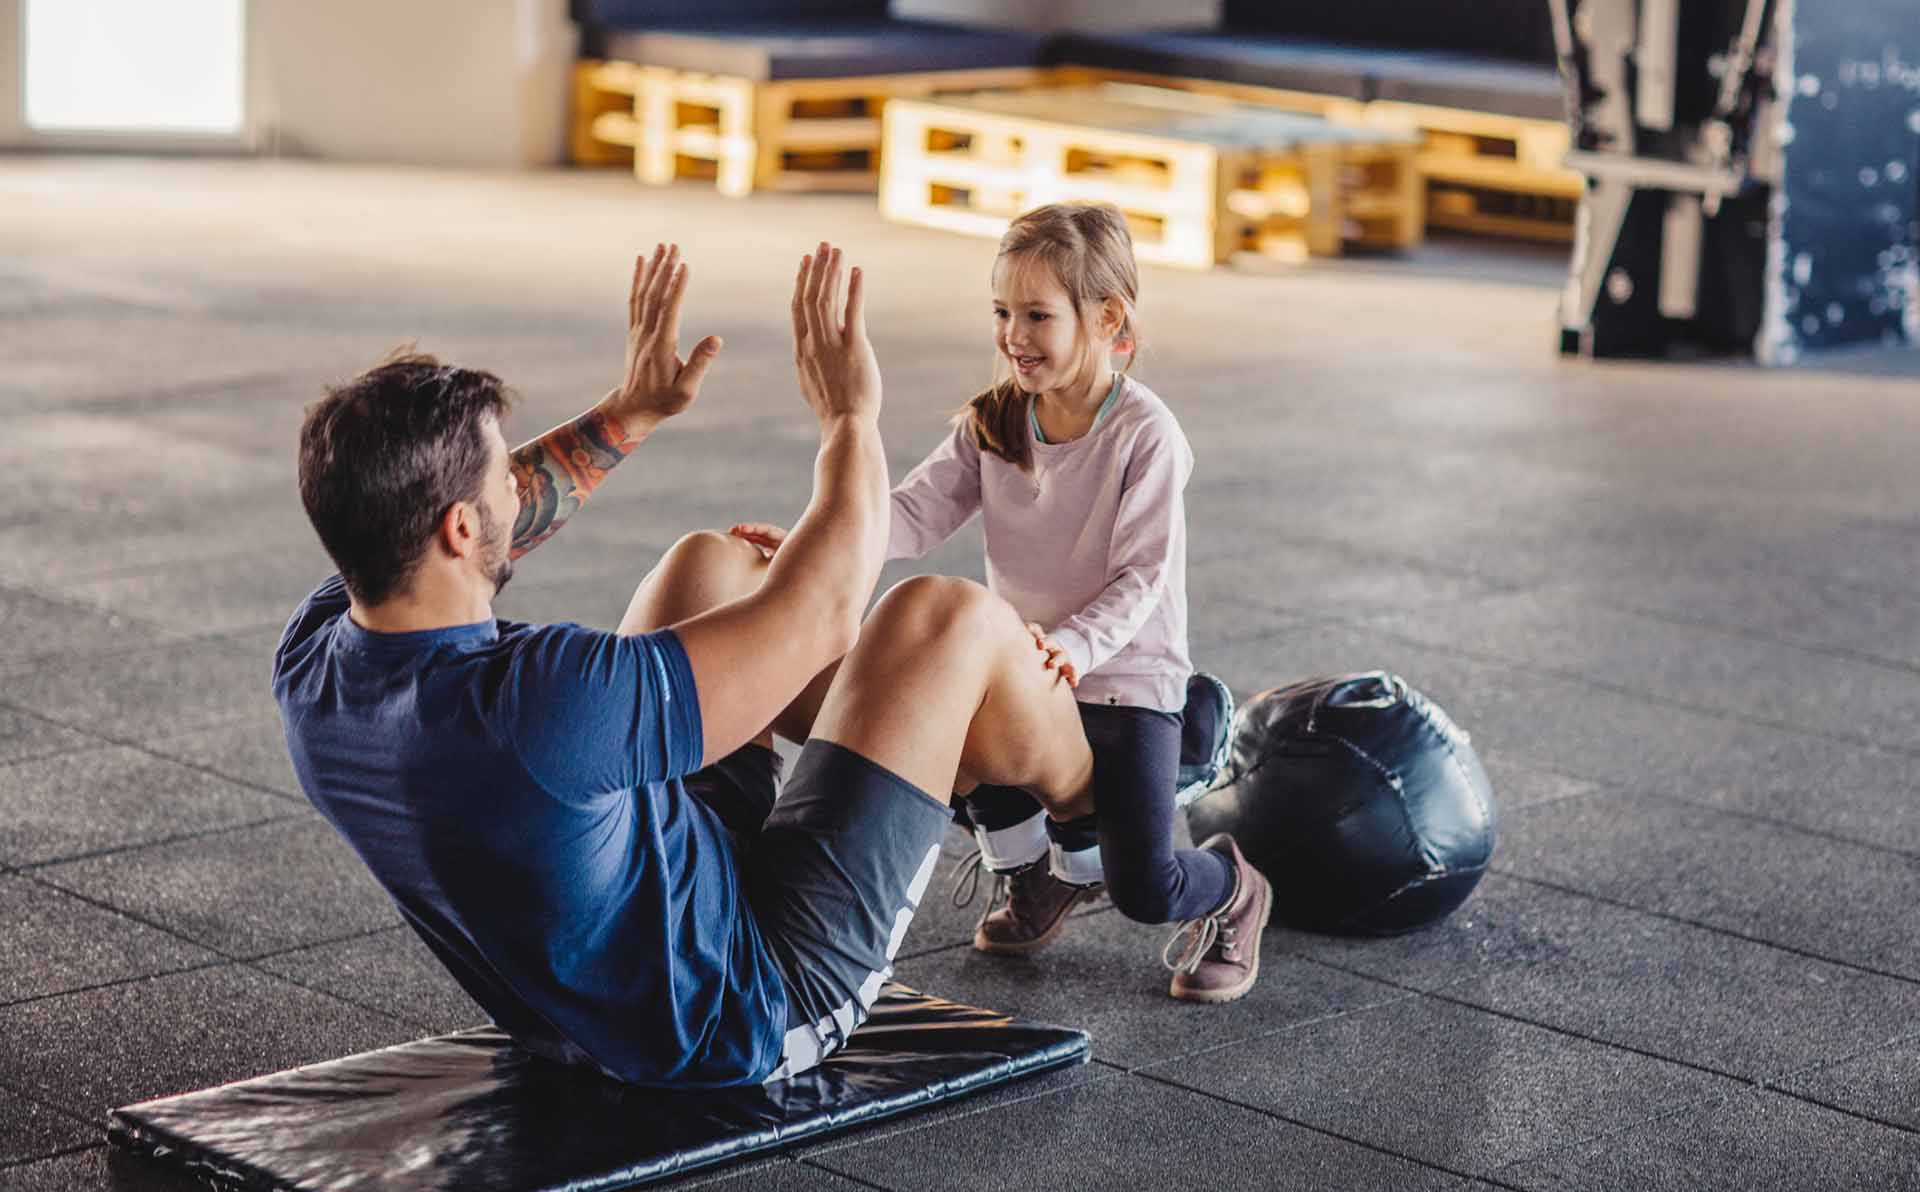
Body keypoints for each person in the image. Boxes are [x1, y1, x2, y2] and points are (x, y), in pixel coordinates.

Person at [274, 243, 1106, 1087]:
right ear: (458, 529)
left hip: (634, 922)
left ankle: (963, 743)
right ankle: (1096, 809)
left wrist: (631, 412)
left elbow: (476, 516)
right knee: (942, 619)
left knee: (705, 566)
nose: (515, 488)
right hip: (750, 1005)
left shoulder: (317, 654)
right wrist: (851, 417)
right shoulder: (540, 703)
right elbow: (821, 612)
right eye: (500, 477)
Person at [730, 204, 1272, 1005]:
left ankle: (1232, 886)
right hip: (1029, 666)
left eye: (1037, 316)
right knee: (936, 714)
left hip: (1123, 682)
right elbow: (910, 513)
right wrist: (818, 539)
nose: (1014, 334)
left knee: (1143, 888)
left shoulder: (1147, 435)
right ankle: (1040, 877)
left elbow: (1142, 578)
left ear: (1107, 317)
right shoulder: (994, 420)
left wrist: (1076, 647)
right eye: (1002, 313)